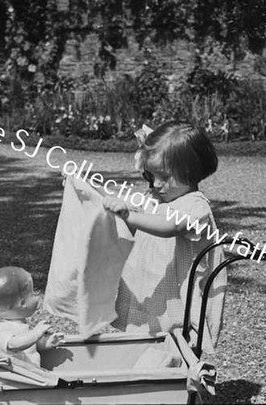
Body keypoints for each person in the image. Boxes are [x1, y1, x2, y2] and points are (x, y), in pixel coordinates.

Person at [102, 121, 227, 353]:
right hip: (147, 287)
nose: (156, 184)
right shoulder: (156, 197)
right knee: (142, 340)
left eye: (164, 177)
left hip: (174, 297)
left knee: (173, 344)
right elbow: (133, 212)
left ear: (191, 173)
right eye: (151, 175)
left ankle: (177, 378)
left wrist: (127, 215)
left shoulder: (195, 207)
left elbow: (169, 226)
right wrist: (94, 197)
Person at [0, 266, 64, 367]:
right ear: (22, 303)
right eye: (32, 293)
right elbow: (13, 345)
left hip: (32, 375)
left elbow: (28, 349)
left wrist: (44, 344)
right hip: (15, 379)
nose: (37, 295)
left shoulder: (19, 325)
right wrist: (35, 334)